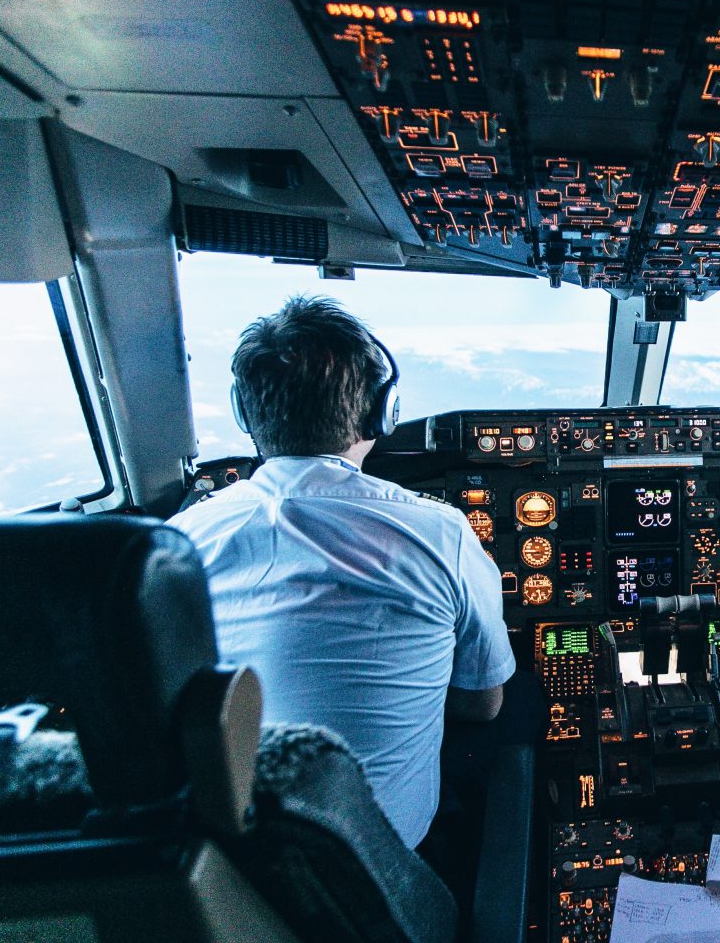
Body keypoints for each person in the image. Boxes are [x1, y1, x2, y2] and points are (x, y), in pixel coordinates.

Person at [170, 296, 515, 848]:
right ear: (382, 412)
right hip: (383, 864)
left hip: (229, 869)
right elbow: (483, 703)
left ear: (246, 414)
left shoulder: (182, 543)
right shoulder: (441, 532)